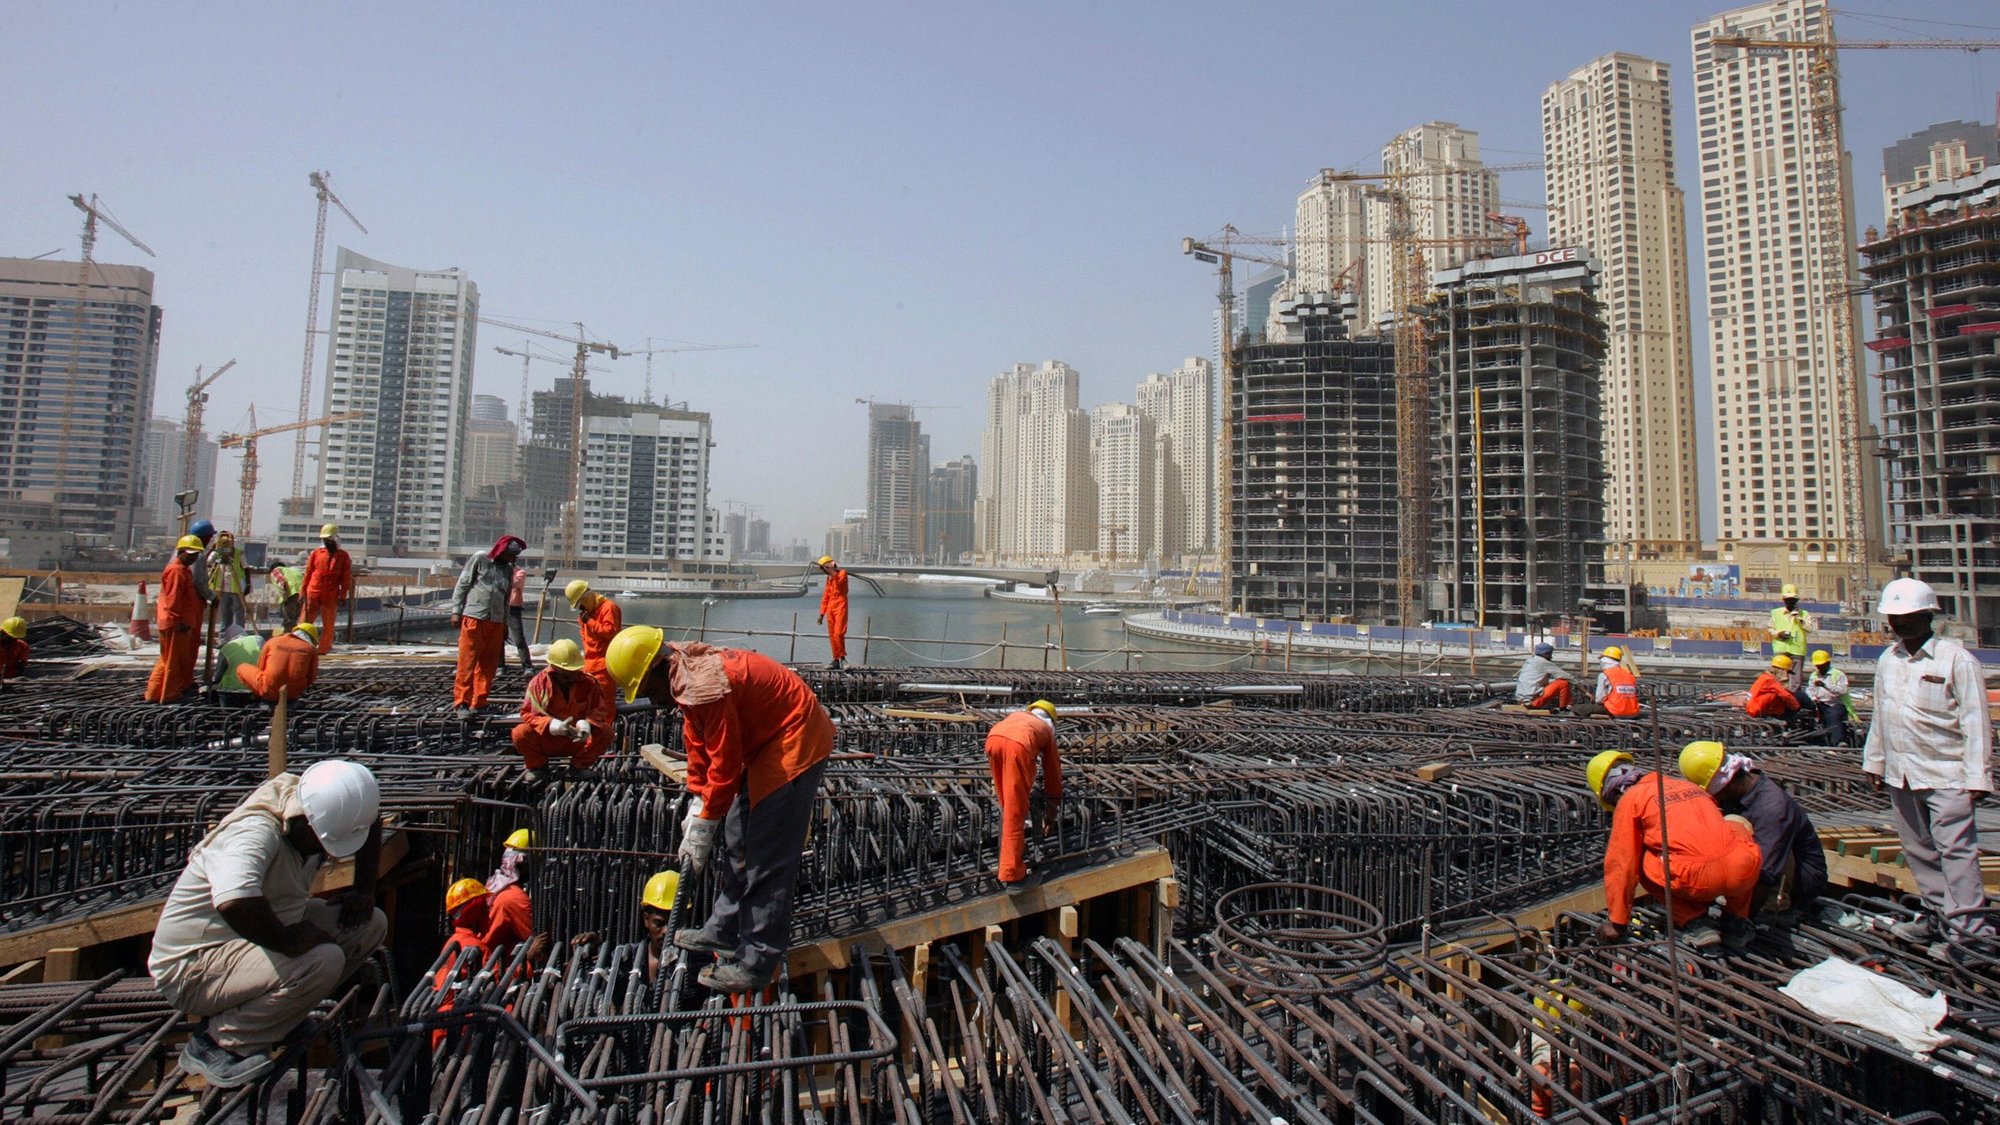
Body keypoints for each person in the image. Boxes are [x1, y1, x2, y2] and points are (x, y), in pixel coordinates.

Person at [607, 626, 833, 993]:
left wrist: (704, 824)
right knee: (736, 838)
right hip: (763, 740)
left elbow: (725, 766)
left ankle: (757, 961)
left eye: (647, 691)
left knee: (766, 855)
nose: (652, 701)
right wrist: (699, 799)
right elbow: (699, 745)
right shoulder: (684, 677)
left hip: (794, 737)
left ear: (658, 669)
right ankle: (723, 930)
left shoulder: (704, 685)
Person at [148, 760, 386, 1087]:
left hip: (252, 940)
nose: (327, 854)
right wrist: (289, 941)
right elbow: (234, 901)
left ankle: (278, 1017)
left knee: (369, 924)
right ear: (305, 823)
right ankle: (219, 1043)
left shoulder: (314, 806)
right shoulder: (254, 833)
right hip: (194, 966)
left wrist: (364, 890)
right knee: (323, 959)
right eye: (324, 844)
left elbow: (370, 822)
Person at [1864, 577, 1993, 946]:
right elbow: (1882, 715)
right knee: (1920, 851)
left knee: (1956, 853)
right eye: (1896, 618)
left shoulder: (1956, 660)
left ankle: (1970, 932)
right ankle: (1937, 917)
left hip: (1947, 774)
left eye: (1909, 617)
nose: (1901, 624)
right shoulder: (1888, 660)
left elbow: (1975, 721)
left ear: (1927, 616)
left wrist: (1978, 776)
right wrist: (1875, 761)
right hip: (1902, 773)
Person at [1586, 749, 1762, 951]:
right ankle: (1736, 921)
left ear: (1614, 792)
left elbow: (1621, 863)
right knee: (1735, 827)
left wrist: (1617, 922)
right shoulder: (1688, 786)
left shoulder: (1631, 799)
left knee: (1640, 859)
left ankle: (1695, 921)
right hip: (1742, 872)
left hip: (1696, 879)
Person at [1679, 741, 1828, 921]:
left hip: (1797, 881)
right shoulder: (1738, 792)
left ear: (1730, 785)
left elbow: (1767, 872)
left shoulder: (1771, 808)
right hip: (1757, 869)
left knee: (1737, 825)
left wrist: (1740, 919)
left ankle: (1776, 906)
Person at [510, 638, 614, 783]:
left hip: (577, 740)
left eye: (574, 672)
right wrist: (553, 725)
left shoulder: (589, 683)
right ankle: (538, 767)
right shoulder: (539, 684)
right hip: (547, 739)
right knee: (520, 733)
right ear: (554, 668)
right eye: (566, 674)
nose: (571, 677)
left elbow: (599, 709)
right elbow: (528, 713)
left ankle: (579, 766)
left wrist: (587, 724)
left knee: (606, 732)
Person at [986, 700, 1063, 890]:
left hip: (993, 739)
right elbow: (1053, 775)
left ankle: (1013, 850)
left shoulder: (1020, 717)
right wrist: (1051, 813)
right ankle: (1013, 876)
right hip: (1018, 745)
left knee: (1007, 804)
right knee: (1016, 810)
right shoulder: (1045, 731)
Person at [451, 535, 525, 715]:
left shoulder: (508, 569)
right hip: (475, 617)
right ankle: (462, 702)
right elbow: (463, 584)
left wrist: (505, 624)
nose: (512, 559)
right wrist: (456, 611)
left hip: (496, 622)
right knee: (467, 662)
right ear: (501, 551)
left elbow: (506, 598)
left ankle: (480, 701)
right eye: (510, 555)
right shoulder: (480, 560)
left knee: (488, 665)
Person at [145, 535, 207, 703]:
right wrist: (178, 621)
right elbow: (173, 599)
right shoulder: (176, 571)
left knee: (167, 659)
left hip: (176, 622)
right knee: (174, 662)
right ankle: (170, 695)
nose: (193, 558)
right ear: (181, 552)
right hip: (176, 624)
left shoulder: (183, 570)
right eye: (191, 554)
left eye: (196, 555)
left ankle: (154, 693)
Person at [235, 623, 321, 705]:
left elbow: (261, 666)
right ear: (312, 638)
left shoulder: (273, 641)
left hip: (268, 690)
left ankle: (259, 697)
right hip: (293, 693)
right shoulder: (311, 649)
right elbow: (311, 678)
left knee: (241, 667)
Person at [564, 580, 623, 700]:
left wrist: (590, 622)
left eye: (581, 604)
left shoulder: (609, 608)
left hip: (604, 667)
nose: (581, 608)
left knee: (604, 701)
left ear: (586, 598)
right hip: (589, 666)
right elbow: (586, 639)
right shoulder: (587, 614)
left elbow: (611, 633)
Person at [302, 525, 352, 656]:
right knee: (305, 621)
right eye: (325, 540)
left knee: (329, 623)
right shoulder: (316, 553)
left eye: (329, 540)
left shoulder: (343, 556)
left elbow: (345, 578)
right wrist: (303, 591)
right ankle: (301, 644)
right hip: (313, 591)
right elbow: (308, 572)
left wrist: (343, 596)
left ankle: (324, 647)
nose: (327, 542)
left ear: (335, 539)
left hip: (330, 594)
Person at [1768, 583, 1812, 691]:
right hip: (1781, 649)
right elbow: (1770, 628)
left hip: (1797, 650)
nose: (1790, 602)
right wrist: (1779, 634)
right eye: (1788, 599)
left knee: (1796, 680)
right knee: (1779, 677)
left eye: (1792, 599)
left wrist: (1798, 618)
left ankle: (1794, 697)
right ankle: (1779, 696)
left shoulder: (1804, 614)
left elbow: (1809, 629)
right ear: (1783, 600)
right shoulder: (1776, 613)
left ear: (1796, 600)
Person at [1805, 650, 1854, 747]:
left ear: (1828, 663)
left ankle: (1839, 741)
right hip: (1820, 704)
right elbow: (1810, 689)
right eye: (1818, 665)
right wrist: (1813, 697)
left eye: (1822, 665)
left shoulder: (1838, 675)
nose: (1820, 667)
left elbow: (1842, 691)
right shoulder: (1814, 675)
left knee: (1833, 716)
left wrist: (1825, 685)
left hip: (1835, 704)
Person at [208, 531, 250, 640]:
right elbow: (207, 562)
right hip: (222, 588)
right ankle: (223, 638)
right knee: (225, 615)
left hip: (236, 588)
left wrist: (248, 584)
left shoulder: (239, 553)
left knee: (239, 613)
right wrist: (214, 550)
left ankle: (240, 636)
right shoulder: (217, 553)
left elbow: (246, 568)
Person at [1515, 643, 1572, 711]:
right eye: (1550, 654)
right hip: (1533, 702)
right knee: (1563, 683)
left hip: (1520, 700)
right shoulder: (1544, 662)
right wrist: (1583, 689)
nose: (1551, 657)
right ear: (1546, 654)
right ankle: (1564, 708)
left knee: (1548, 684)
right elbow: (1568, 677)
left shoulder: (1529, 661)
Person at [1745, 655, 1804, 719]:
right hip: (1759, 710)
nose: (1787, 675)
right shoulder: (1770, 680)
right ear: (1782, 670)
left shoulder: (1764, 677)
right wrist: (1797, 708)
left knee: (1790, 695)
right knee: (1798, 695)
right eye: (1787, 672)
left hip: (1753, 708)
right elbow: (1786, 695)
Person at [816, 555, 849, 670]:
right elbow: (826, 596)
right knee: (832, 635)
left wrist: (832, 570)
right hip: (831, 608)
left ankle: (842, 658)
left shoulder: (842, 574)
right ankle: (836, 660)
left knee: (838, 633)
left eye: (824, 568)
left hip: (840, 606)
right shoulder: (828, 579)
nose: (824, 571)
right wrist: (822, 614)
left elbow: (839, 583)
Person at [1592, 646, 1640, 718]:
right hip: (1633, 712)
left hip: (1615, 711)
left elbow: (1599, 699)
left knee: (1581, 709)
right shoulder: (1629, 675)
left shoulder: (1605, 674)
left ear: (1604, 660)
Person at [507, 565, 534, 675]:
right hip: (499, 607)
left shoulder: (520, 572)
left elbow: (514, 583)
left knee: (519, 638)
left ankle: (527, 665)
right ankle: (500, 665)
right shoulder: (499, 570)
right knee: (497, 638)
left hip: (513, 608)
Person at [268, 564, 305, 634]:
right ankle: (296, 636)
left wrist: (285, 597)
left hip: (292, 594)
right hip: (303, 594)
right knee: (298, 619)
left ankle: (287, 636)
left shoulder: (276, 570)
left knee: (289, 620)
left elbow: (282, 582)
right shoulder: (295, 570)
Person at [0, 616, 28, 682]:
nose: (13, 640)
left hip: (9, 678)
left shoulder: (22, 646)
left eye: (15, 637)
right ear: (3, 632)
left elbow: (22, 663)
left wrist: (21, 666)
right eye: (11, 637)